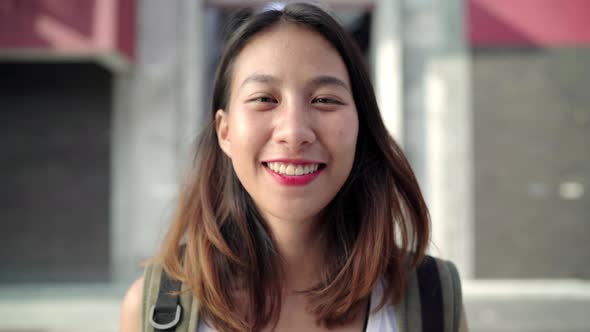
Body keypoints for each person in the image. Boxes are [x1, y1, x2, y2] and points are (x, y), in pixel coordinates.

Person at [120, 2, 467, 331]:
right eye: (264, 99)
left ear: (361, 126)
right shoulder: (155, 309)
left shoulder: (430, 299)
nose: (294, 132)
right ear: (224, 132)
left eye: (325, 100)